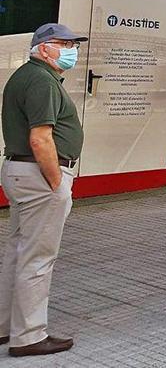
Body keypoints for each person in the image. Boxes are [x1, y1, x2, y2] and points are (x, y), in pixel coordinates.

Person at [0, 23, 88, 356]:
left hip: (21, 172)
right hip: (39, 177)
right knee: (38, 258)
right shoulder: (41, 80)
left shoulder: (27, 76)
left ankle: (7, 326)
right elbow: (40, 137)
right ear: (45, 48)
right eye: (65, 43)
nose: (72, 50)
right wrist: (55, 182)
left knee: (19, 252)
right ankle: (29, 336)